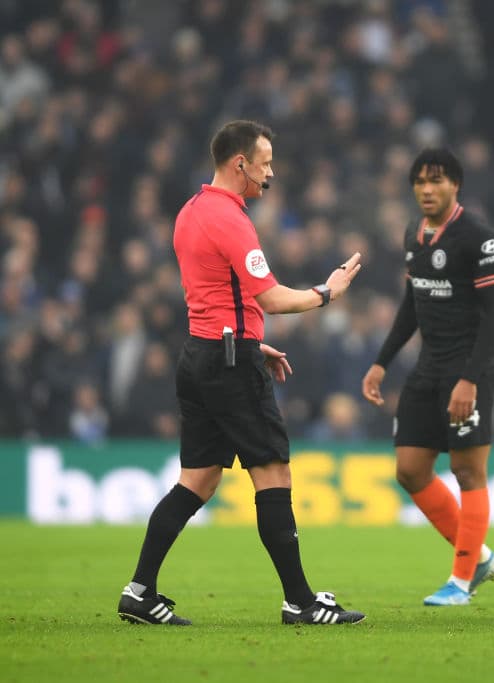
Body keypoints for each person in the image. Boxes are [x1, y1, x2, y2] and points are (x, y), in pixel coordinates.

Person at [117, 120, 365, 626]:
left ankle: (139, 591)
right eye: (265, 163)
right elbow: (270, 296)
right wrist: (327, 292)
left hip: (204, 354)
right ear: (240, 164)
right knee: (272, 471)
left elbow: (213, 296)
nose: (269, 173)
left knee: (198, 480)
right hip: (229, 363)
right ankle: (299, 601)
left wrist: (253, 340)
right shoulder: (230, 218)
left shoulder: (189, 212)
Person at [361, 148, 494, 606]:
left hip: (469, 365)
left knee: (467, 469)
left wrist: (471, 380)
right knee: (410, 469)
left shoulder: (478, 238)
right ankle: (479, 556)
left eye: (437, 181)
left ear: (455, 185)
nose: (427, 189)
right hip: (429, 365)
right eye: (421, 182)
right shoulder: (415, 234)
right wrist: (382, 361)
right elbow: (412, 304)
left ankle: (461, 583)